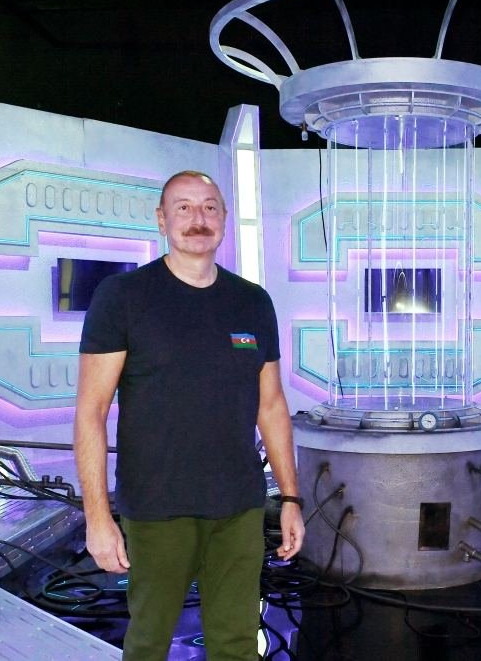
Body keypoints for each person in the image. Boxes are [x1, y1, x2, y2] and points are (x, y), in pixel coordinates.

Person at [74, 170, 305, 661]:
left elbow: (271, 405)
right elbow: (91, 412)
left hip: (238, 507)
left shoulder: (252, 301)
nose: (198, 218)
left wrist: (289, 497)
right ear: (162, 219)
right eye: (183, 207)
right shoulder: (123, 297)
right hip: (157, 507)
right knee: (149, 643)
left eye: (209, 207)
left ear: (224, 218)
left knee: (237, 644)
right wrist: (97, 518)